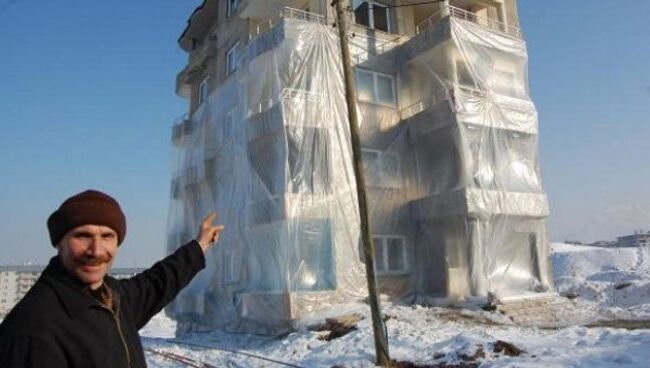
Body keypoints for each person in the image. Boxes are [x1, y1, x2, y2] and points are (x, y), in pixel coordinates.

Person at [0, 189, 224, 368]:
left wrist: (200, 244)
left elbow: (159, 281)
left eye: (107, 236)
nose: (96, 250)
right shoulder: (33, 332)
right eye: (83, 236)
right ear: (59, 242)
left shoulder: (113, 298)